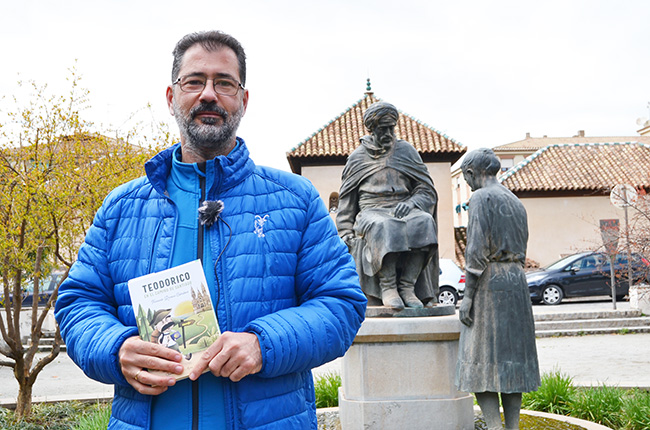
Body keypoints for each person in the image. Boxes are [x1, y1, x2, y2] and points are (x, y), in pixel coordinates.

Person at [54, 31, 366, 430]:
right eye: (194, 81)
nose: (208, 95)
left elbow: (341, 304)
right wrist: (115, 349)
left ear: (243, 99)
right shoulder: (121, 207)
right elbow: (78, 302)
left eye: (224, 83)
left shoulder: (295, 199)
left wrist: (262, 344)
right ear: (171, 97)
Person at [455, 148, 540, 430]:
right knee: (512, 358)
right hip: (516, 282)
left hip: (490, 282)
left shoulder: (480, 198)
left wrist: (467, 297)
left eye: (466, 178)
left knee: (481, 358)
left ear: (470, 173)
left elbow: (476, 249)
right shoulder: (516, 202)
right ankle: (512, 426)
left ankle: (494, 426)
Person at [336, 101, 438, 309]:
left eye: (392, 128)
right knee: (386, 225)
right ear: (372, 129)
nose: (389, 133)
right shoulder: (357, 158)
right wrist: (344, 231)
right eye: (383, 128)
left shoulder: (406, 151)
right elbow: (347, 200)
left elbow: (426, 190)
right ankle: (388, 287)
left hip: (404, 208)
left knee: (424, 222)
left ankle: (407, 287)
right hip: (371, 212)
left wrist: (411, 203)